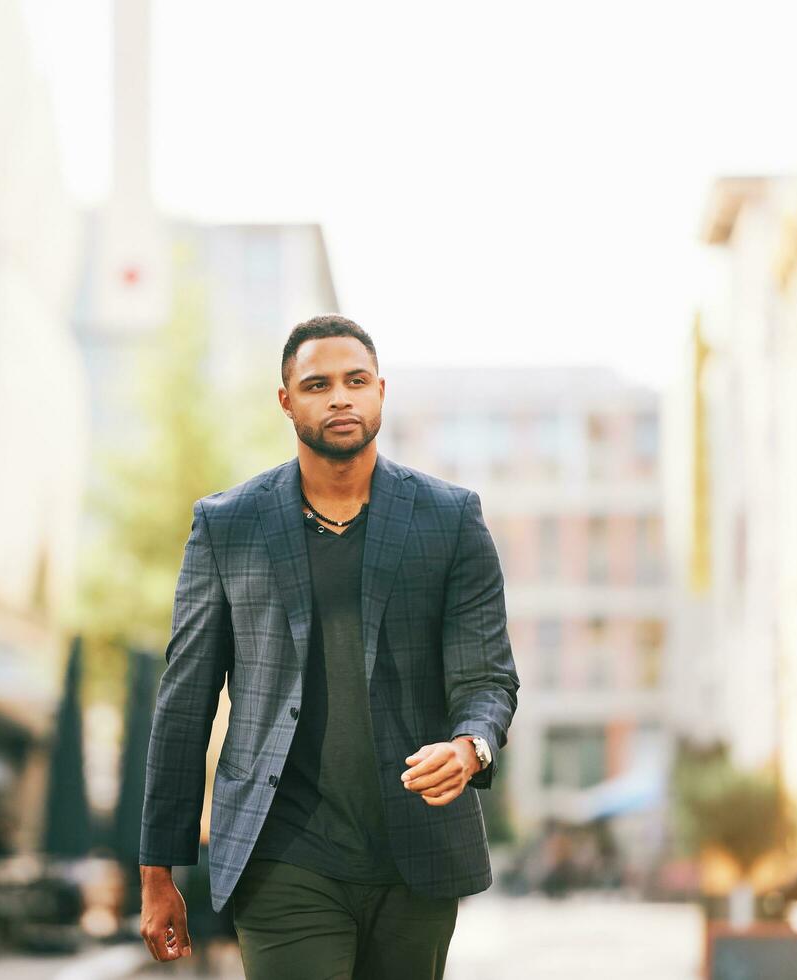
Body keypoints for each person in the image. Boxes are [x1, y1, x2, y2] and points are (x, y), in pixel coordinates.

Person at [138, 315, 519, 979]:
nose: (339, 397)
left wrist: (468, 748)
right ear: (285, 400)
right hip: (280, 854)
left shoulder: (450, 520)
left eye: (355, 381)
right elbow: (184, 701)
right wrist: (156, 870)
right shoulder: (228, 526)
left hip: (416, 856)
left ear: (380, 392)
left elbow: (486, 678)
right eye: (317, 384)